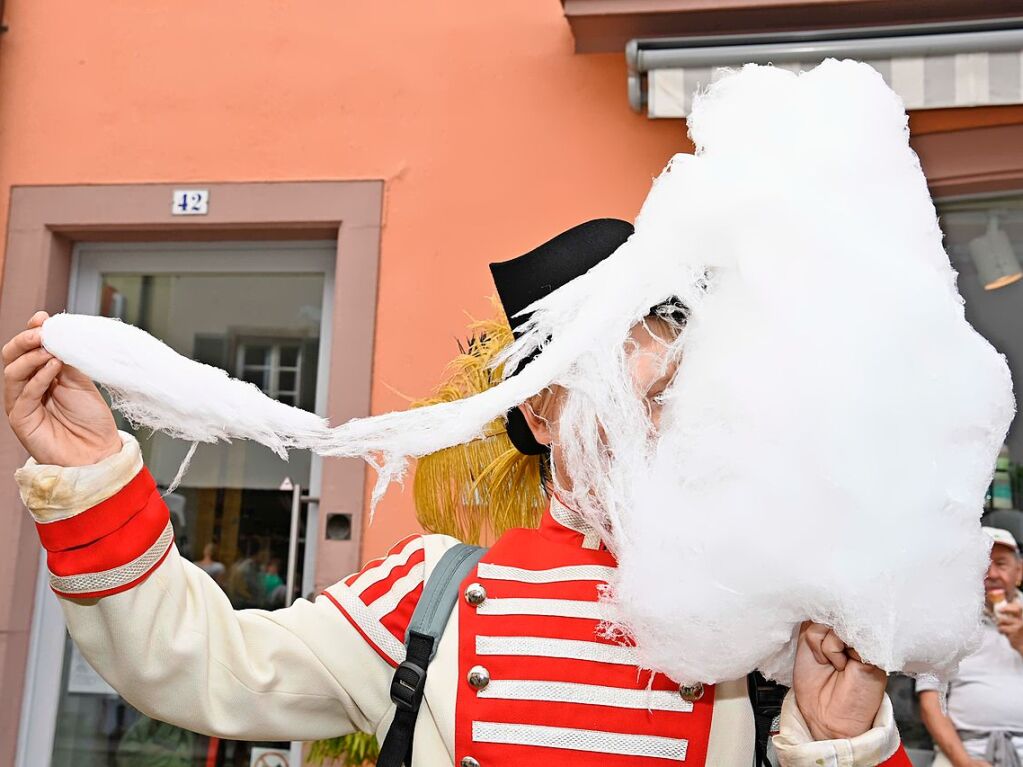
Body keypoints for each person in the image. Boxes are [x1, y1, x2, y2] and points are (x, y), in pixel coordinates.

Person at [5, 220, 910, 766]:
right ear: (544, 414)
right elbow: (202, 661)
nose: (656, 432)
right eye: (626, 402)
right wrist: (91, 480)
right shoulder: (435, 591)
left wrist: (839, 740)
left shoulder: (770, 624)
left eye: (676, 402)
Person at [917, 526, 1023, 767]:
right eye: (982, 564)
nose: (992, 573)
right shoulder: (946, 623)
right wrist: (964, 762)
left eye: (1001, 564)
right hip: (962, 751)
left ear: (1019, 572)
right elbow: (930, 702)